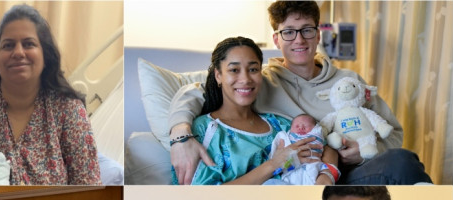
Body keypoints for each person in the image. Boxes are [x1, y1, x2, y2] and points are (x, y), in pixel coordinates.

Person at [168, 1, 431, 185]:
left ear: (318, 35)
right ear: (276, 40)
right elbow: (196, 92)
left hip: (353, 173)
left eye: (307, 30)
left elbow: (394, 133)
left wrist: (363, 153)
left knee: (402, 161)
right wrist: (180, 135)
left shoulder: (349, 82)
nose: (299, 40)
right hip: (298, 177)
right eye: (289, 32)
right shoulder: (261, 81)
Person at [0, 4, 101, 185]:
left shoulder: (68, 109)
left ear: (45, 55)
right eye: (8, 45)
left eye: (29, 44)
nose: (18, 52)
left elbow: (88, 185)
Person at [178, 37, 326, 186]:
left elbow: (323, 146)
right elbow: (199, 198)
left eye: (253, 69)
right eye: (234, 70)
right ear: (218, 75)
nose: (245, 79)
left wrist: (327, 176)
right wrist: (274, 164)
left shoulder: (279, 125)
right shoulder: (204, 130)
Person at [269, 114, 335, 185]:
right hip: (290, 168)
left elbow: (327, 146)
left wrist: (326, 174)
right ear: (290, 128)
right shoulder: (285, 136)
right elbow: (275, 154)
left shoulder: (316, 134)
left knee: (312, 178)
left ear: (315, 127)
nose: (301, 128)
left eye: (305, 126)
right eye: (297, 126)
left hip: (312, 165)